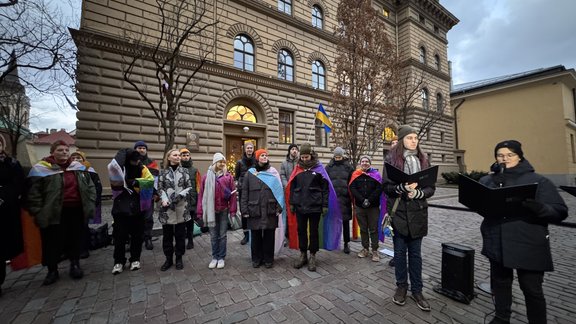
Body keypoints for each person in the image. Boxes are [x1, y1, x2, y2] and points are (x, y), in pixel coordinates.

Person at [479, 140, 567, 324]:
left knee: (532, 290)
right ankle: (501, 318)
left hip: (528, 244)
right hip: (497, 242)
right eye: (500, 155)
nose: (505, 158)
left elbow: (560, 211)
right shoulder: (488, 180)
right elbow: (482, 206)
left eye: (510, 155)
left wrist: (540, 208)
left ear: (519, 156)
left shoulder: (538, 181)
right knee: (501, 285)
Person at [26, 140, 96, 285]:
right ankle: (52, 270)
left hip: (76, 210)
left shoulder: (77, 167)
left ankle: (75, 264)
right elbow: (33, 194)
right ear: (52, 152)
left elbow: (90, 186)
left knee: (75, 238)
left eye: (66, 150)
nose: (64, 152)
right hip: (53, 212)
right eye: (60, 150)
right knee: (52, 242)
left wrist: (90, 202)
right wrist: (38, 211)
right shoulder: (41, 169)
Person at [382, 125, 435, 312]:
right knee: (399, 253)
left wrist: (418, 193)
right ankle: (402, 286)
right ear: (402, 139)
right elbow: (386, 187)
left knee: (415, 255)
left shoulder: (423, 159)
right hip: (399, 214)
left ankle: (418, 290)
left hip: (418, 213)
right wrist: (401, 189)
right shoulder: (391, 160)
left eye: (415, 138)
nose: (414, 141)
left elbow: (431, 188)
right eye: (410, 137)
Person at [286, 143, 341, 272]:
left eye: (307, 157)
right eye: (303, 157)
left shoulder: (319, 169)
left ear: (311, 155)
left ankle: (312, 255)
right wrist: (292, 203)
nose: (305, 159)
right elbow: (292, 187)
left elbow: (325, 188)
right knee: (301, 231)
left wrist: (325, 205)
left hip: (315, 206)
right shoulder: (297, 169)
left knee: (314, 232)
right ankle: (303, 254)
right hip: (300, 206)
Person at [108, 148, 154, 275]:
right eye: (134, 160)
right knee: (120, 237)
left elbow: (150, 182)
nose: (136, 162)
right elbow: (114, 172)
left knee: (137, 236)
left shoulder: (142, 168)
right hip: (120, 209)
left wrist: (135, 182)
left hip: (137, 208)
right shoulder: (119, 169)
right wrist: (123, 152)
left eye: (138, 160)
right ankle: (118, 261)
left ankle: (135, 259)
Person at [241, 149, 285, 268]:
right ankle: (256, 259)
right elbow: (244, 192)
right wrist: (244, 210)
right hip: (254, 209)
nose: (264, 157)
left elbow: (279, 192)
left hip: (270, 209)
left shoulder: (273, 173)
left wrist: (279, 207)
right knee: (255, 236)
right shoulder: (249, 173)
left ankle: (268, 259)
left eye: (266, 155)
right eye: (262, 155)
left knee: (269, 236)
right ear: (257, 158)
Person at [198, 153, 237, 269]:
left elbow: (233, 195)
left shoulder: (228, 177)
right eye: (220, 161)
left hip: (224, 210)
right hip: (211, 211)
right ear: (215, 162)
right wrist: (200, 211)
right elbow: (201, 195)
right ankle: (214, 257)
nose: (222, 164)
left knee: (223, 235)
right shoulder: (206, 177)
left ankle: (221, 257)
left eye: (224, 162)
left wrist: (233, 211)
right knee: (213, 236)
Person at [157, 149, 193, 271]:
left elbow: (189, 187)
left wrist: (179, 196)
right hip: (167, 209)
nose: (178, 157)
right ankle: (168, 259)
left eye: (179, 155)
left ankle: (179, 258)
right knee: (167, 236)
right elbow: (160, 187)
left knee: (180, 235)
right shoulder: (163, 172)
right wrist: (164, 198)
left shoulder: (184, 171)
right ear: (169, 157)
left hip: (181, 207)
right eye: (175, 155)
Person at [0, 138, 25, 294]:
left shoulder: (11, 163)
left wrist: (5, 196)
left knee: (2, 245)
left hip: (6, 211)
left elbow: (19, 184)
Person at [349, 155, 383, 262]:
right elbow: (352, 188)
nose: (364, 163)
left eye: (367, 161)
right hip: (360, 206)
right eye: (363, 161)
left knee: (373, 229)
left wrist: (369, 200)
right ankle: (365, 248)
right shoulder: (356, 175)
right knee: (363, 229)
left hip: (373, 207)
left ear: (370, 163)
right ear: (360, 163)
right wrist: (362, 200)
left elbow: (379, 189)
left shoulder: (376, 174)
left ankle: (375, 250)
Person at [71, 150, 103, 259]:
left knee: (83, 227)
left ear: (84, 159)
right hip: (71, 204)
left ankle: (84, 248)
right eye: (73, 157)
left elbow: (97, 187)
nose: (76, 160)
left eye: (78, 158)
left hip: (84, 203)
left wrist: (95, 201)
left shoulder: (89, 171)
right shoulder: (67, 170)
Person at [325, 147, 354, 254]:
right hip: (333, 199)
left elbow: (352, 182)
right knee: (333, 221)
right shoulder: (328, 167)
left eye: (339, 157)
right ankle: (333, 241)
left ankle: (346, 243)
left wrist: (349, 193)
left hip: (345, 198)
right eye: (336, 157)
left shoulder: (348, 167)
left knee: (345, 222)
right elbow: (324, 181)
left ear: (343, 156)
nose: (338, 159)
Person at [134, 141, 160, 250]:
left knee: (148, 218)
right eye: (139, 148)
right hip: (134, 195)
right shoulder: (131, 162)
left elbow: (155, 179)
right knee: (135, 218)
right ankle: (135, 239)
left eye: (143, 148)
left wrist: (155, 193)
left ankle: (148, 238)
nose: (141, 150)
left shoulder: (151, 163)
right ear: (135, 149)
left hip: (148, 194)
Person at [234, 141, 256, 245]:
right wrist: (239, 186)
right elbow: (237, 176)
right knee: (244, 212)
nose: (249, 150)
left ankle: (254, 233)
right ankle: (246, 235)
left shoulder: (256, 161)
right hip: (243, 191)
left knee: (253, 211)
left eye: (251, 148)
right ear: (245, 149)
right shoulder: (239, 162)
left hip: (254, 190)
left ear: (253, 149)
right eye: (248, 148)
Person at [179, 148, 200, 249]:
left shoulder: (195, 170)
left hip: (192, 200)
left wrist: (198, 200)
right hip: (181, 200)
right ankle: (181, 240)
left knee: (190, 222)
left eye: (187, 155)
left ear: (190, 156)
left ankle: (190, 240)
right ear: (180, 157)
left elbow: (198, 186)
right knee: (181, 222)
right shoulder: (177, 169)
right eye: (183, 155)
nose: (186, 157)